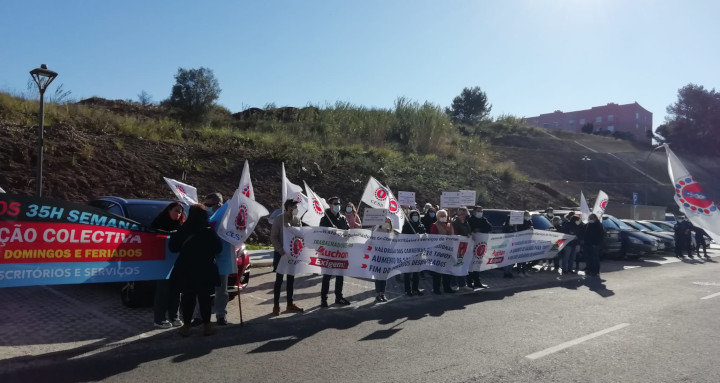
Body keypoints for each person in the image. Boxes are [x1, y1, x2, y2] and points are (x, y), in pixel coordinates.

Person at [169, 204, 222, 337]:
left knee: (188, 298)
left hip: (186, 269)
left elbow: (173, 247)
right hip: (205, 269)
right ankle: (207, 326)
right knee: (205, 299)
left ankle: (186, 327)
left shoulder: (183, 229)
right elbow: (218, 249)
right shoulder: (209, 230)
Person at [151, 202, 185, 329]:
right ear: (169, 210)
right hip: (162, 262)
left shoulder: (181, 225)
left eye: (180, 211)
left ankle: (174, 316)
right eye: (176, 210)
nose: (178, 214)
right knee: (162, 291)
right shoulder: (158, 223)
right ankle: (159, 319)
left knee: (176, 290)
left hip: (177, 263)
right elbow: (153, 240)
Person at [270, 199, 304, 315]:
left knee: (291, 279)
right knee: (279, 280)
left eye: (296, 207)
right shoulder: (279, 219)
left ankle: (290, 304)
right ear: (288, 208)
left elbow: (300, 236)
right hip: (281, 254)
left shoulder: (297, 220)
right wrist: (280, 249)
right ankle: (276, 305)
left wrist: (291, 228)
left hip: (292, 254)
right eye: (294, 207)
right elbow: (273, 237)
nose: (296, 209)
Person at [319, 197, 351, 307]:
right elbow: (321, 235)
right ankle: (324, 299)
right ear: (330, 205)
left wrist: (347, 233)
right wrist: (332, 232)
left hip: (341, 251)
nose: (338, 205)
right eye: (335, 203)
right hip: (329, 252)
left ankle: (339, 297)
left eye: (339, 203)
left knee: (340, 275)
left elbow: (348, 231)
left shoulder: (343, 218)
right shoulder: (325, 219)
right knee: (327, 276)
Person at [429, 209, 455, 294]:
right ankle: (436, 289)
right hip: (438, 252)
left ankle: (447, 287)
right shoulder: (434, 225)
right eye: (442, 216)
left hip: (448, 251)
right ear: (437, 217)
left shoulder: (449, 225)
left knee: (447, 271)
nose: (443, 217)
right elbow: (433, 238)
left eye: (445, 216)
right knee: (437, 272)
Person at [402, 209, 426, 296]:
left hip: (419, 251)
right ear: (410, 216)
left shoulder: (421, 225)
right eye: (413, 215)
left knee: (417, 271)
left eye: (417, 215)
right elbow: (403, 238)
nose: (415, 217)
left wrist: (423, 236)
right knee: (407, 272)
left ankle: (415, 288)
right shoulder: (407, 225)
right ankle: (407, 290)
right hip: (409, 251)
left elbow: (424, 235)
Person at [467, 206, 491, 288]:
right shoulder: (470, 220)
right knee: (470, 263)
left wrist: (479, 229)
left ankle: (477, 282)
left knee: (477, 264)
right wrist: (473, 230)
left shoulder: (483, 219)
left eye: (481, 211)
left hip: (480, 246)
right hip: (471, 246)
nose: (480, 212)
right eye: (478, 211)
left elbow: (489, 227)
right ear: (473, 212)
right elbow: (468, 229)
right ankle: (469, 283)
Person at [452, 207, 473, 290]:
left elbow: (469, 231)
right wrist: (464, 235)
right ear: (458, 214)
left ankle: (462, 284)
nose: (463, 216)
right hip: (457, 247)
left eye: (465, 214)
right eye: (461, 214)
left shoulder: (466, 223)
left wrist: (469, 235)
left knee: (462, 264)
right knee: (456, 264)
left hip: (464, 247)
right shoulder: (455, 223)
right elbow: (454, 234)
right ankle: (454, 284)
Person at [374, 218, 393, 303]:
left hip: (386, 257)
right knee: (378, 276)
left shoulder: (390, 232)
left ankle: (383, 294)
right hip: (378, 257)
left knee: (384, 277)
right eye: (385, 221)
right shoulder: (377, 230)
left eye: (388, 222)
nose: (387, 223)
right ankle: (378, 294)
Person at [583, 213, 604, 277]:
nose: (590, 219)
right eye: (589, 218)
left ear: (595, 218)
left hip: (595, 244)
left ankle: (596, 271)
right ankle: (589, 270)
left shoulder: (598, 225)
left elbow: (601, 235)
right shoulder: (589, 224)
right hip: (588, 244)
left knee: (595, 258)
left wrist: (596, 243)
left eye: (591, 218)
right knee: (589, 258)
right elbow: (586, 233)